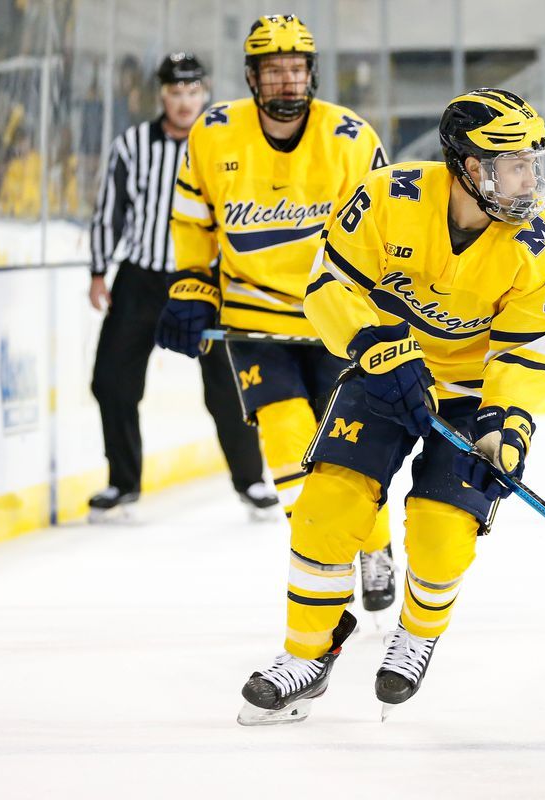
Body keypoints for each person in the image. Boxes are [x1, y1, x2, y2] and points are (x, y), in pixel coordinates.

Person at [235, 88, 545, 724]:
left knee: (441, 533)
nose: (527, 179)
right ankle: (305, 655)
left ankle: (417, 636)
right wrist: (375, 346)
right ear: (466, 169)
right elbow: (329, 286)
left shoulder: (544, 245)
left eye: (532, 162)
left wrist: (509, 429)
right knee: (325, 508)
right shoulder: (389, 197)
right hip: (386, 368)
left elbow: (531, 352)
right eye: (511, 164)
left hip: (476, 394)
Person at [156, 16, 397, 611]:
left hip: (338, 314)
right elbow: (193, 221)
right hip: (254, 314)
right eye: (274, 71)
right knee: (288, 439)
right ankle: (322, 552)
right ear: (251, 78)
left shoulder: (350, 137)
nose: (287, 82)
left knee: (350, 446)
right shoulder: (213, 134)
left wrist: (389, 305)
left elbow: (389, 229)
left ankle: (375, 545)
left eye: (297, 69)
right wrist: (192, 283)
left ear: (311, 74)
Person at [86, 53, 272, 522]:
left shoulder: (227, 144)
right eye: (175, 93)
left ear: (205, 92)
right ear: (161, 95)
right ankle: (122, 483)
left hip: (206, 280)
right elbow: (110, 210)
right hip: (142, 279)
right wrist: (97, 270)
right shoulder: (131, 146)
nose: (185, 102)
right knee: (111, 380)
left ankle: (251, 480)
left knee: (228, 387)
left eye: (192, 92)